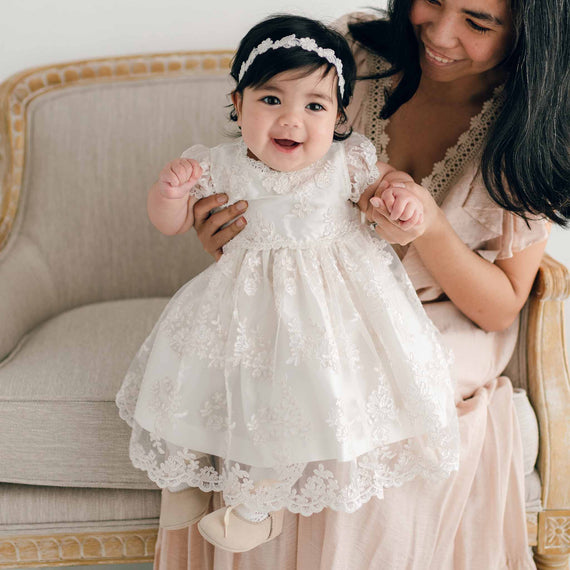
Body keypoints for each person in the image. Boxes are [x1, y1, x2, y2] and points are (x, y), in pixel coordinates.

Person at [151, 0, 570, 569]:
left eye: (477, 22)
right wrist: (230, 230)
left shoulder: (536, 126)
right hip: (301, 299)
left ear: (529, 29)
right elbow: (263, 158)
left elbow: (500, 309)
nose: (440, 33)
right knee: (260, 364)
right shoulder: (351, 53)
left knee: (352, 399)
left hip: (438, 318)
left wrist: (429, 226)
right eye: (434, 1)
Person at [116, 13, 460, 556]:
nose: (291, 120)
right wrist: (169, 192)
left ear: (340, 116)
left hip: (326, 314)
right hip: (240, 307)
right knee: (192, 380)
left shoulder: (349, 162)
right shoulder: (221, 165)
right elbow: (172, 222)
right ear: (238, 105)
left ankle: (257, 504)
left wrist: (397, 198)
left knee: (288, 398)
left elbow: (387, 194)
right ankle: (181, 480)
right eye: (271, 100)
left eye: (314, 106)